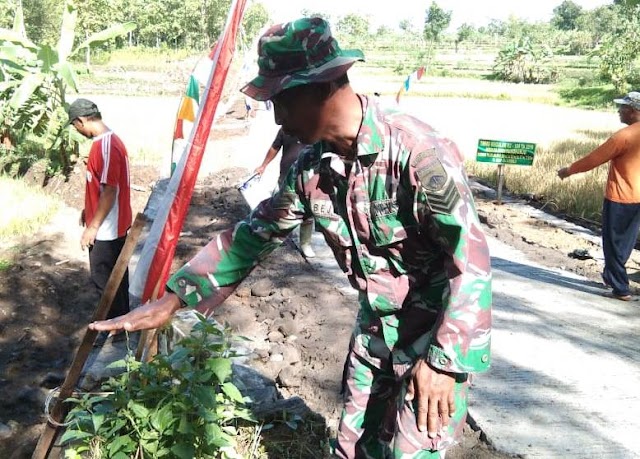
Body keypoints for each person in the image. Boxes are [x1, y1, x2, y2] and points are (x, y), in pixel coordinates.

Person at [89, 17, 492, 458]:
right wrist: (172, 300)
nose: (278, 117)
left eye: (281, 100)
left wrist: (444, 363)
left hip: (432, 341)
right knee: (352, 451)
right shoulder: (312, 170)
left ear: (320, 86)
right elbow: (251, 238)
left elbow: (469, 261)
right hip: (374, 337)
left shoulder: (416, 153)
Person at [558, 91, 640, 302]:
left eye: (622, 107)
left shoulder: (624, 136)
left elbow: (593, 159)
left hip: (621, 197)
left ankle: (620, 288)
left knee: (613, 243)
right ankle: (612, 276)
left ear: (633, 111)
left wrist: (568, 170)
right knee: (625, 242)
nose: (618, 110)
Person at [69, 98, 132, 320]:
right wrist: (88, 210)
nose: (77, 130)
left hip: (107, 230)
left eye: (75, 126)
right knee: (116, 280)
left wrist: (92, 228)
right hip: (111, 225)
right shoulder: (107, 142)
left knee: (105, 283)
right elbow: (100, 186)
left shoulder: (105, 146)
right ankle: (121, 324)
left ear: (82, 120)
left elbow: (109, 192)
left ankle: (113, 330)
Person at [254, 127, 316, 257]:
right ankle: (272, 238)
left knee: (307, 213)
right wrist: (263, 165)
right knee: (278, 209)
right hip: (285, 176)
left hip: (306, 178)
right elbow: (274, 147)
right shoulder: (286, 128)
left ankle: (305, 244)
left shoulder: (313, 128)